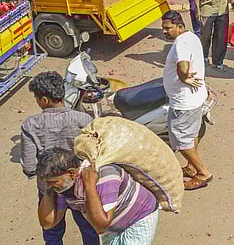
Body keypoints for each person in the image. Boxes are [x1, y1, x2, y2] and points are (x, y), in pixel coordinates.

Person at [21, 72, 97, 245]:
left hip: (50, 188)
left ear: (44, 100)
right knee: (89, 228)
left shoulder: (30, 125)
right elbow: (94, 154)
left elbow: (30, 167)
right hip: (80, 187)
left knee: (52, 231)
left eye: (36, 97)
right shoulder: (83, 119)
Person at [37, 148, 159, 245]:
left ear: (72, 173)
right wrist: (49, 190)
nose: (49, 186)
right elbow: (47, 223)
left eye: (52, 182)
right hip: (114, 227)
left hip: (138, 218)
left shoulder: (104, 175)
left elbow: (100, 226)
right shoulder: (63, 187)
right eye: (46, 182)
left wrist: (89, 186)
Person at [160, 10, 213, 190]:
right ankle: (191, 167)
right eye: (163, 28)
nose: (165, 32)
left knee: (181, 141)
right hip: (196, 97)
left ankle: (202, 172)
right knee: (191, 135)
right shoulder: (191, 37)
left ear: (180, 27)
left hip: (184, 102)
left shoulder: (181, 43)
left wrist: (184, 78)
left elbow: (183, 65)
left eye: (168, 28)